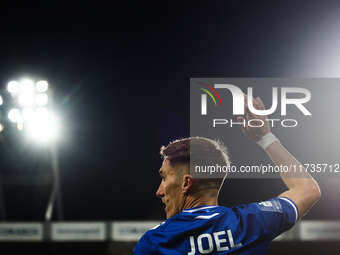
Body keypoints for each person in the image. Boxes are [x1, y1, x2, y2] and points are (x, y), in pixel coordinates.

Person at [133, 94, 321, 255]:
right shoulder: (252, 222)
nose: (159, 191)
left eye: (165, 178)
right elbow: (307, 189)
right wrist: (266, 138)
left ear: (186, 183)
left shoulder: (154, 243)